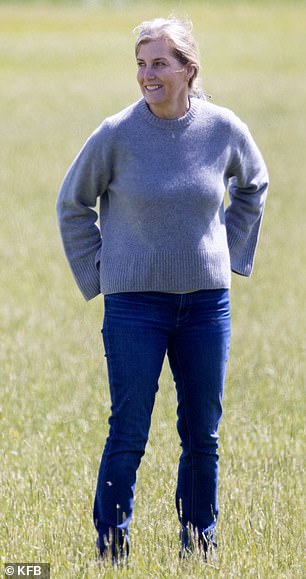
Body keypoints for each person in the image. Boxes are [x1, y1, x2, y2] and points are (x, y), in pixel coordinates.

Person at [56, 16, 269, 563]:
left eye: (159, 63)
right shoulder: (116, 133)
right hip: (134, 308)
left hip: (205, 305)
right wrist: (100, 272)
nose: (147, 75)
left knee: (203, 434)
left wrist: (229, 253)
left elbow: (254, 183)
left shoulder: (222, 128)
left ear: (187, 69)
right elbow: (72, 204)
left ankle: (200, 546)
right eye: (141, 64)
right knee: (128, 431)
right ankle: (111, 549)